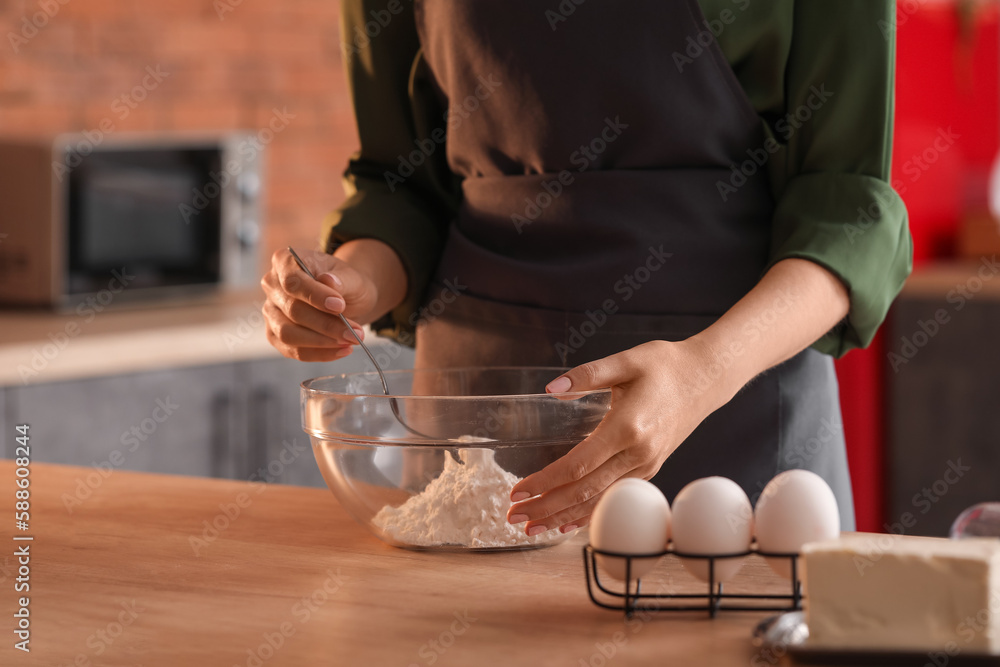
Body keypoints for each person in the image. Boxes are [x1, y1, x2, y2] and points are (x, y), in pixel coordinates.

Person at [261, 0, 912, 536]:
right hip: (478, 423)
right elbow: (402, 188)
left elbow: (847, 209)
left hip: (734, 398)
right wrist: (355, 284)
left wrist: (705, 371)